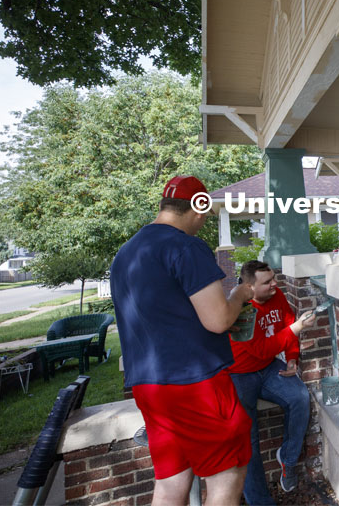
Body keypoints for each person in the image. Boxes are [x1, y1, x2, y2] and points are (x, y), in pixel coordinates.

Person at [110, 176, 255, 506]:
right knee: (226, 476)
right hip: (195, 383)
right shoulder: (184, 246)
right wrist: (237, 295)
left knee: (171, 482)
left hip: (149, 387)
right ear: (198, 210)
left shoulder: (126, 253)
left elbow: (166, 314)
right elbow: (218, 319)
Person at [227, 260, 315, 506]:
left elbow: (287, 325)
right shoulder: (240, 310)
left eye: (274, 278)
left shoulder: (277, 297)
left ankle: (287, 461)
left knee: (299, 397)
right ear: (249, 287)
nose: (275, 285)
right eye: (267, 282)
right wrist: (296, 329)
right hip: (239, 375)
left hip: (268, 368)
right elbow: (260, 348)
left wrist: (292, 358)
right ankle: (260, 501)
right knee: (249, 441)